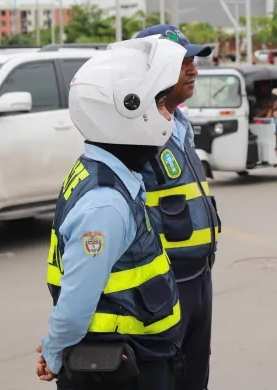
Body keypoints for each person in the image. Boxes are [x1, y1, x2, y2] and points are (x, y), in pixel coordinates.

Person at [37, 35, 187, 389]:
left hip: (135, 354)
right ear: (129, 109)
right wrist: (55, 354)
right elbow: (76, 303)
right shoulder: (105, 202)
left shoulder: (111, 172)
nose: (168, 115)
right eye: (162, 104)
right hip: (118, 368)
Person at [133, 24, 221, 390]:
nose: (193, 68)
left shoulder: (181, 122)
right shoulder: (136, 132)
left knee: (195, 378)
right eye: (181, 61)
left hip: (200, 277)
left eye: (193, 59)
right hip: (165, 286)